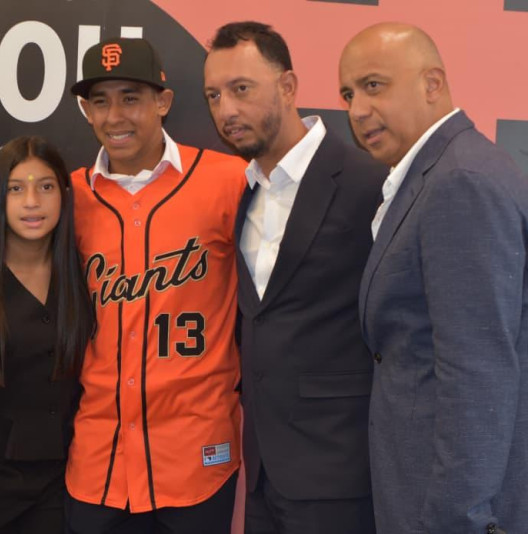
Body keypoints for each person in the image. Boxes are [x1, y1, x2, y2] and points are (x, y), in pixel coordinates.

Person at [339, 22, 528, 534]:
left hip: (443, 508)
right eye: (349, 93)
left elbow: (477, 372)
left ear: (433, 84)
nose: (357, 110)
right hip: (418, 490)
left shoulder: (459, 181)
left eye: (374, 85)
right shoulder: (438, 172)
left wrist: (456, 518)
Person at [203, 22, 386, 534]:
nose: (226, 111)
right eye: (214, 96)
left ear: (287, 86)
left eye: (241, 89)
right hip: (263, 475)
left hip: (342, 473)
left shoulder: (368, 182)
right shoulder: (244, 193)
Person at [63, 37, 247, 534]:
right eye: (99, 101)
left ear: (163, 102)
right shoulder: (70, 197)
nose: (114, 116)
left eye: (131, 98)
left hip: (196, 457)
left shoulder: (228, 181)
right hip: (98, 461)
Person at [0, 136, 93, 534]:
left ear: (63, 196)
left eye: (45, 187)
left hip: (69, 487)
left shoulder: (83, 280)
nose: (31, 202)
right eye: (16, 188)